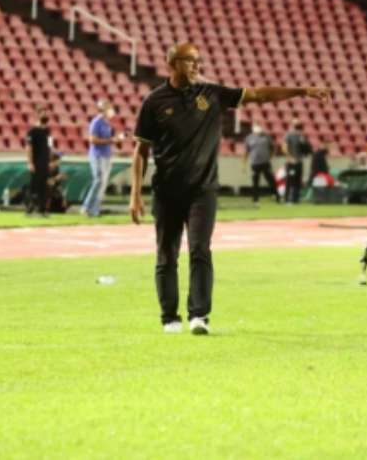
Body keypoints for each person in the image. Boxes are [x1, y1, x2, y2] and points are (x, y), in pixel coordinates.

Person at [129, 42, 332, 335]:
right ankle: (169, 317)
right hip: (167, 191)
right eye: (190, 61)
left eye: (199, 61)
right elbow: (141, 151)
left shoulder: (211, 93)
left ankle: (199, 315)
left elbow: (259, 95)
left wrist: (302, 91)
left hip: (204, 190)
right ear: (172, 64)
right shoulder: (154, 102)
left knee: (200, 250)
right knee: (166, 255)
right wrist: (135, 196)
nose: (197, 66)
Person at [81, 100, 119, 217]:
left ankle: (95, 209)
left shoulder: (106, 123)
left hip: (107, 155)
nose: (111, 110)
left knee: (103, 183)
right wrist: (110, 140)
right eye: (108, 107)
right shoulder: (96, 122)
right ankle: (87, 207)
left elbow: (108, 139)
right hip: (97, 155)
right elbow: (92, 139)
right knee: (98, 180)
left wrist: (114, 139)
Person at [243, 124, 280, 205]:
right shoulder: (249, 138)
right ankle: (255, 199)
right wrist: (244, 164)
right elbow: (246, 151)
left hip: (265, 162)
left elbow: (273, 148)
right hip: (255, 163)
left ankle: (276, 196)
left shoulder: (266, 137)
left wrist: (271, 157)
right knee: (255, 181)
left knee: (271, 180)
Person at [25, 106, 51, 217]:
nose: (45, 115)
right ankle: (29, 209)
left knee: (44, 186)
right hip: (36, 162)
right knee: (34, 186)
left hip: (45, 162)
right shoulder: (32, 131)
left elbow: (49, 147)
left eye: (46, 113)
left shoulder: (47, 131)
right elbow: (29, 148)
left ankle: (42, 210)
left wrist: (49, 161)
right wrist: (30, 162)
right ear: (38, 114)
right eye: (43, 113)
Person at [283, 118, 312, 204]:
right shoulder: (288, 135)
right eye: (296, 125)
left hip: (299, 161)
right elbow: (284, 147)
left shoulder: (301, 136)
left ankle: (295, 199)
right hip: (291, 162)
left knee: (297, 181)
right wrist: (289, 157)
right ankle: (287, 199)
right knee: (290, 180)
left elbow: (307, 149)